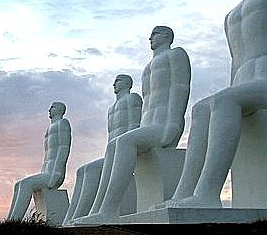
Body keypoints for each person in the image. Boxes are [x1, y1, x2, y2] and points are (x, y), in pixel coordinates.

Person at [166, 0, 267, 208]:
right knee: (201, 108)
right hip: (244, 82)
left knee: (222, 100)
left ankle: (207, 193)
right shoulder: (230, 16)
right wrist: (232, 92)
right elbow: (235, 59)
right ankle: (183, 193)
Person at [81, 26, 190, 222]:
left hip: (164, 124)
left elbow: (180, 88)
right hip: (149, 125)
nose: (150, 38)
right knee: (113, 145)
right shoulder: (148, 68)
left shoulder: (176, 55)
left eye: (155, 34)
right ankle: (98, 209)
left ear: (167, 36)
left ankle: (108, 210)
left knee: (123, 142)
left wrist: (173, 124)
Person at [63, 74, 142, 224]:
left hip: (126, 150)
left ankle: (98, 211)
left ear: (128, 83)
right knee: (83, 170)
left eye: (118, 80)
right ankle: (72, 217)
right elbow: (110, 138)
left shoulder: (132, 99)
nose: (114, 84)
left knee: (94, 169)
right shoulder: (111, 109)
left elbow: (134, 125)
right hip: (113, 152)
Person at [7, 101, 72, 221]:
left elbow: (64, 148)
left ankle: (15, 221)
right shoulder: (50, 128)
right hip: (47, 172)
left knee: (26, 184)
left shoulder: (62, 123)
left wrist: (56, 174)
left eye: (52, 107)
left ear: (59, 109)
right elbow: (48, 155)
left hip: (54, 173)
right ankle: (9, 221)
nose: (49, 110)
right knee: (18, 184)